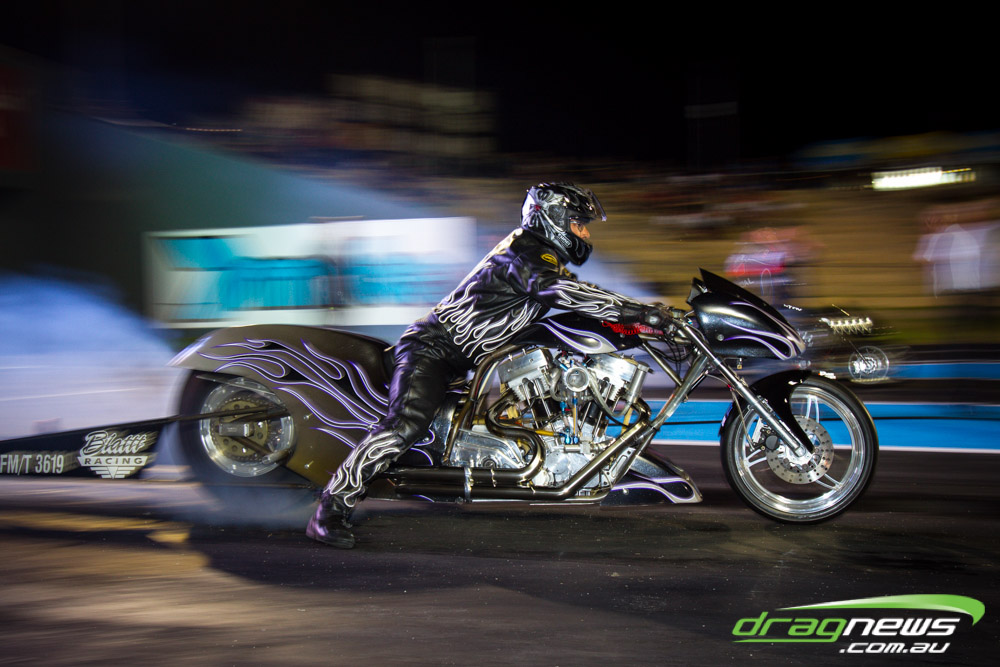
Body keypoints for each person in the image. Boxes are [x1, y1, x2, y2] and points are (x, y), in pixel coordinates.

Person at [306, 183, 668, 547]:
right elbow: (561, 291)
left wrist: (649, 318)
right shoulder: (524, 251)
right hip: (431, 350)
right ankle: (331, 507)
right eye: (578, 224)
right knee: (405, 425)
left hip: (457, 363)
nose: (584, 233)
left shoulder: (540, 258)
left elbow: (578, 296)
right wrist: (637, 311)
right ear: (554, 218)